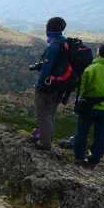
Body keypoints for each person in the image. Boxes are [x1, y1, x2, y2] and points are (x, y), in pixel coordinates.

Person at [32, 17, 69, 150]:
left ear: (48, 28)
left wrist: (40, 84)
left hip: (48, 86)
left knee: (43, 114)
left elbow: (47, 69)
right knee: (50, 114)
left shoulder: (54, 45)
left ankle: (44, 143)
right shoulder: (65, 43)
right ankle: (45, 137)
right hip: (61, 86)